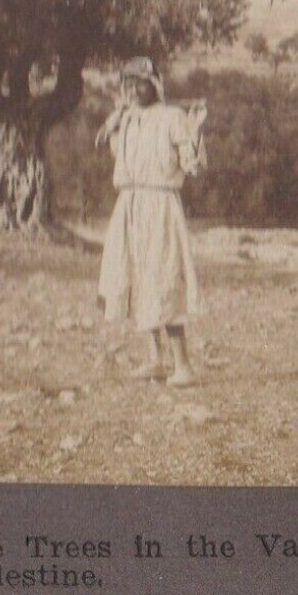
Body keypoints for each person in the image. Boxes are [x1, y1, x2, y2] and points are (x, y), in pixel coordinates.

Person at [95, 57, 207, 387]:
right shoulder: (126, 120)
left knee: (163, 278)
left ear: (155, 84)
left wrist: (196, 131)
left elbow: (194, 167)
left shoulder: (173, 118)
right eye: (128, 84)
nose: (133, 90)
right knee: (137, 277)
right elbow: (103, 143)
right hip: (129, 204)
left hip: (160, 206)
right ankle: (155, 359)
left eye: (140, 83)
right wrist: (117, 117)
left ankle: (182, 365)